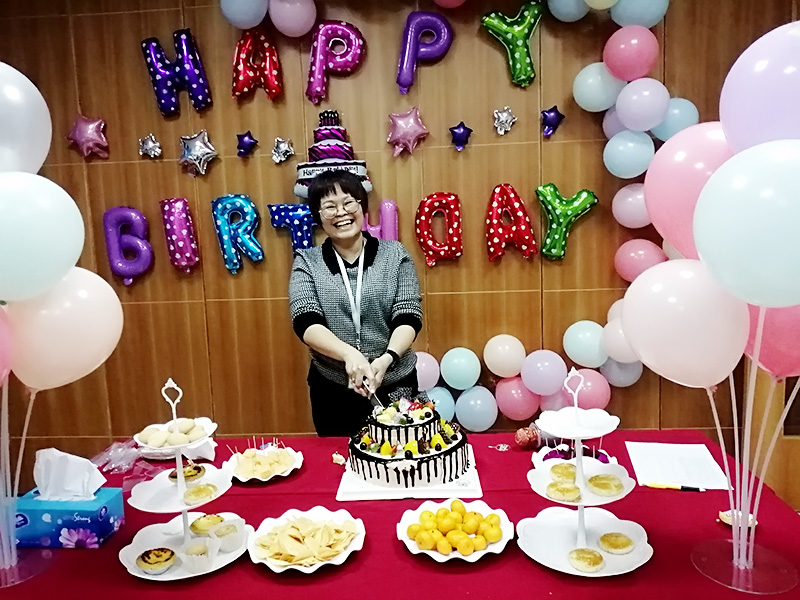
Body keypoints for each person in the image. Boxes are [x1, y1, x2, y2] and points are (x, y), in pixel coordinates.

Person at [289, 170, 423, 436]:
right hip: (332, 387)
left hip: (394, 379)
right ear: (318, 215)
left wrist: (386, 359)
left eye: (348, 202)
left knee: (401, 452)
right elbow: (305, 321)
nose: (341, 212)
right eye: (330, 206)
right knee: (338, 456)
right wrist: (349, 355)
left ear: (362, 206)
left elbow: (409, 316)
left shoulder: (395, 255)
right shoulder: (307, 262)